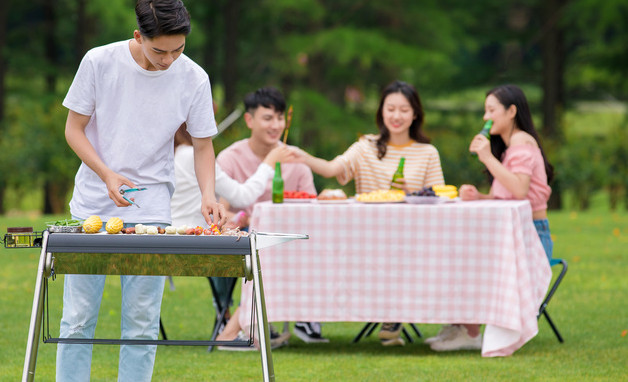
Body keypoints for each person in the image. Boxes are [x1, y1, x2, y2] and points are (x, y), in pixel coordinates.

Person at [57, 1, 226, 380]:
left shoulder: (193, 77)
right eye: (159, 51)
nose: (169, 60)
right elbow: (73, 129)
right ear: (139, 37)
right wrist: (107, 174)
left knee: (142, 320)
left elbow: (203, 145)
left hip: (152, 207)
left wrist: (209, 195)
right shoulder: (99, 62)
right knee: (78, 318)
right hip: (94, 206)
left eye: (178, 50)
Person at [291, 80, 445, 346]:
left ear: (416, 114)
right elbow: (331, 169)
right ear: (381, 112)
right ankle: (385, 312)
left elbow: (440, 200)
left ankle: (393, 311)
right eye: (390, 109)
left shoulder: (427, 153)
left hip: (413, 239)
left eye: (404, 110)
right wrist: (301, 156)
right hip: (366, 238)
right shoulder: (366, 147)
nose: (396, 116)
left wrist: (411, 192)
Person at [427, 84, 554, 352]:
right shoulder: (510, 148)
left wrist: (486, 157)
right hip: (516, 235)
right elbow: (512, 197)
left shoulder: (521, 143)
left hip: (532, 237)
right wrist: (481, 197)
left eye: (491, 110)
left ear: (511, 112)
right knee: (460, 254)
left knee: (466, 260)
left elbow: (519, 189)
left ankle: (468, 330)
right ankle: (464, 327)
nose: (486, 116)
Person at [216, 87, 329, 344]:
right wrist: (241, 216)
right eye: (268, 118)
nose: (275, 124)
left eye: (280, 118)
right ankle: (246, 327)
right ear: (249, 120)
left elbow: (311, 208)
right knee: (264, 250)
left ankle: (245, 328)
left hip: (289, 240)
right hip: (244, 237)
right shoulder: (231, 157)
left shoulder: (295, 158)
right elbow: (225, 213)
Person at [171, 124, 293, 320]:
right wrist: (269, 163)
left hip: (174, 236)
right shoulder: (192, 155)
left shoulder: (175, 154)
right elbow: (242, 196)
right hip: (193, 241)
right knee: (250, 241)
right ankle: (241, 319)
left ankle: (227, 314)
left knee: (234, 231)